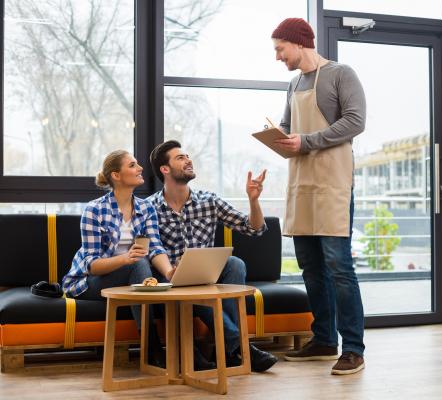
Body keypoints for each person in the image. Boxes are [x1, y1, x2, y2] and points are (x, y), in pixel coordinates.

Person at [271, 17, 367, 375]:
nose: (278, 56)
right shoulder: (293, 83)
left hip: (332, 182)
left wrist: (306, 142)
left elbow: (355, 121)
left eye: (280, 49)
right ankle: (324, 340)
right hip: (302, 181)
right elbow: (286, 127)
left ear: (298, 43)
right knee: (311, 267)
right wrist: (276, 136)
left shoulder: (342, 74)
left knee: (339, 267)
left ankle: (353, 349)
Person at [147, 140, 278, 373]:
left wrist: (253, 200)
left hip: (206, 276)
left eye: (188, 155)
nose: (188, 160)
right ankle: (237, 347)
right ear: (164, 169)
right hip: (170, 278)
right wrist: (170, 271)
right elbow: (153, 248)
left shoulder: (209, 201)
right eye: (180, 157)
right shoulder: (149, 208)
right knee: (193, 290)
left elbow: (253, 228)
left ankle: (228, 347)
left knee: (235, 264)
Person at [62, 150, 174, 368]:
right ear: (116, 175)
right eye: (132, 165)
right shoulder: (94, 210)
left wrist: (170, 272)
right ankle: (152, 348)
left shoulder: (146, 207)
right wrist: (125, 259)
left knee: (150, 267)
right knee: (139, 263)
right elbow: (92, 265)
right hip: (90, 281)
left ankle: (178, 348)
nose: (140, 168)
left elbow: (155, 248)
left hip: (133, 276)